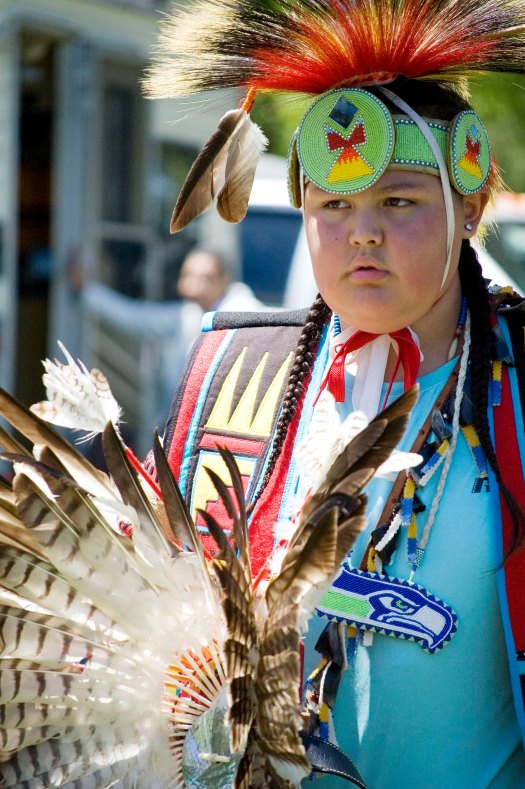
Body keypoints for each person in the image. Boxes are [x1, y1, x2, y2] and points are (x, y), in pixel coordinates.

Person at [144, 1, 525, 786]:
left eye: (398, 201)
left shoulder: (515, 391)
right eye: (333, 206)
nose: (362, 233)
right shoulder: (233, 376)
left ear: (469, 211)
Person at [176, 247, 264, 313]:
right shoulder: (193, 308)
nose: (194, 285)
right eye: (187, 276)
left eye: (205, 279)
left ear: (224, 280)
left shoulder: (241, 310)